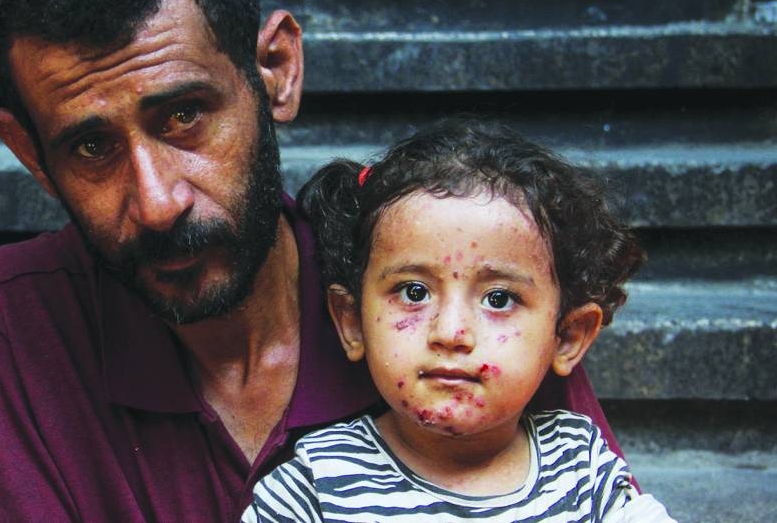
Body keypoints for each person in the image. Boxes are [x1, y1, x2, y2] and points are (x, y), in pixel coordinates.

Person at [0, 0, 627, 522]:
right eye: (91, 147)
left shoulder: (436, 286)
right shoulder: (19, 323)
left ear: (276, 71)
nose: (158, 202)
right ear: (31, 155)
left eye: (185, 116)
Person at [243, 118, 676, 522]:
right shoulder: (316, 484)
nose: (451, 333)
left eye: (499, 298)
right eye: (414, 292)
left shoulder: (583, 467)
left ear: (567, 337)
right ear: (352, 323)